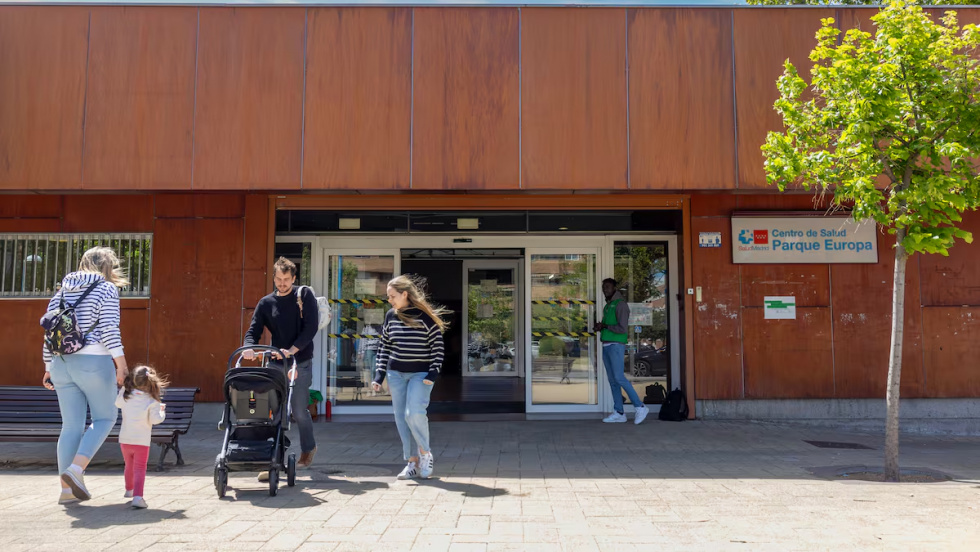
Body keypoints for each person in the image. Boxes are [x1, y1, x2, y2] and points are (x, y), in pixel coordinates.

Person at [41, 246, 130, 504]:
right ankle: (76, 469)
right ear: (107, 267)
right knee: (105, 417)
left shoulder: (60, 293)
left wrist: (48, 367)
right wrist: (121, 364)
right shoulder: (106, 289)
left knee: (70, 426)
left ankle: (66, 492)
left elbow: (50, 332)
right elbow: (109, 329)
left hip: (60, 363)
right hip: (93, 360)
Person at [242, 257, 319, 477]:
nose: (282, 283)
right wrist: (249, 347)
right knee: (272, 411)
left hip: (299, 361)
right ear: (274, 277)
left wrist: (294, 349)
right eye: (278, 279)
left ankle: (308, 448)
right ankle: (273, 459)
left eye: (286, 279)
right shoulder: (266, 303)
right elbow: (253, 330)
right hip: (275, 362)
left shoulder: (303, 296)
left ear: (294, 279)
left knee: (297, 409)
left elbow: (311, 327)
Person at [371, 275, 447, 480]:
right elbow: (384, 346)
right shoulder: (390, 316)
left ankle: (425, 453)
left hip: (421, 375)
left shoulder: (425, 318)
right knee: (401, 418)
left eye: (392, 296)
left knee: (413, 413)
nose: (390, 300)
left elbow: (437, 348)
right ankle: (411, 462)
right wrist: (379, 375)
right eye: (388, 297)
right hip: (395, 374)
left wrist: (433, 372)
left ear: (405, 294)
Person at [594, 278, 649, 425]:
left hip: (616, 345)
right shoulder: (608, 306)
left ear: (614, 288)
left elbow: (622, 328)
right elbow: (610, 326)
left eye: (608, 287)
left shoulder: (621, 305)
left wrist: (605, 326)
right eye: (603, 287)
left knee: (619, 378)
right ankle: (619, 412)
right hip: (606, 345)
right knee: (613, 381)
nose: (605, 289)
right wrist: (601, 327)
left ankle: (640, 406)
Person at [115, 365, 167, 509]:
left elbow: (117, 403)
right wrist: (162, 411)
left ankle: (129, 490)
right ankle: (138, 497)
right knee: (140, 468)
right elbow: (155, 420)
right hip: (142, 441)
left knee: (129, 465)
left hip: (125, 439)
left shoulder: (126, 395)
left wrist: (123, 389)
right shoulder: (152, 400)